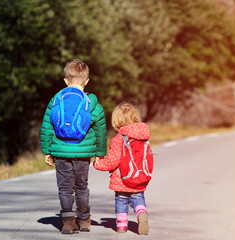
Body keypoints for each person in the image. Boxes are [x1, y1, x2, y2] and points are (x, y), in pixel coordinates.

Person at [40, 59, 107, 234]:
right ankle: (84, 220)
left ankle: (68, 222)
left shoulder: (56, 100)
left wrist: (47, 150)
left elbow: (47, 125)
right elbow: (100, 130)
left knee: (65, 188)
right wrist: (100, 153)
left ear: (65, 80)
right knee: (81, 187)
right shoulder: (92, 104)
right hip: (83, 154)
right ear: (86, 82)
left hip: (61, 152)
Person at [93, 103, 151, 235]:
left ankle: (121, 227)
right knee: (138, 198)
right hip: (139, 176)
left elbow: (112, 161)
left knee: (121, 200)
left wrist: (98, 164)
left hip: (122, 178)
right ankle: (141, 212)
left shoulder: (119, 138)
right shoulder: (144, 137)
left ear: (117, 120)